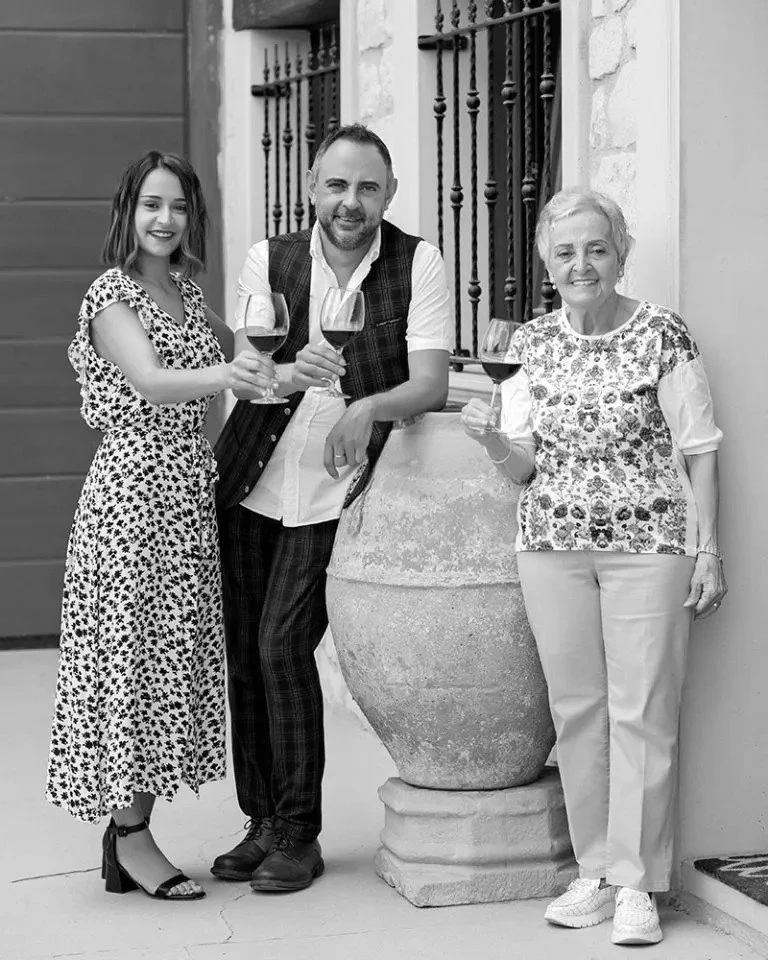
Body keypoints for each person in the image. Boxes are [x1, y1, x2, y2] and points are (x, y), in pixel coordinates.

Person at [461, 188, 726, 945]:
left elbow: (701, 449)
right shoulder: (528, 345)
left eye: (596, 248)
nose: (582, 264)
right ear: (548, 262)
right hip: (550, 544)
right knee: (578, 712)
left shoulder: (663, 334)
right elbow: (521, 467)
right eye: (566, 251)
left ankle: (639, 883)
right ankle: (594, 873)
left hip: (651, 545)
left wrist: (709, 550)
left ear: (620, 254)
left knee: (643, 709)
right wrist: (491, 442)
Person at [211, 124, 452, 892]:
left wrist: (364, 404)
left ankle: (299, 833)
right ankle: (261, 821)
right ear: (313, 186)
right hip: (252, 476)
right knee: (245, 653)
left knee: (283, 645)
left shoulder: (419, 263)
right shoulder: (270, 259)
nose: (352, 203)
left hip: (335, 491)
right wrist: (287, 372)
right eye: (338, 186)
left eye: (368, 188)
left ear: (389, 194)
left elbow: (431, 386)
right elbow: (247, 373)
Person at [46, 151, 275, 901]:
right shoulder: (110, 294)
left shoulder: (183, 289)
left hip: (183, 499)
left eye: (178, 207)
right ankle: (130, 837)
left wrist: (288, 369)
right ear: (127, 211)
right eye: (152, 204)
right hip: (129, 499)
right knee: (128, 665)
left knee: (163, 665)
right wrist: (230, 379)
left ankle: (130, 832)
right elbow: (149, 379)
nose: (165, 219)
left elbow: (240, 362)